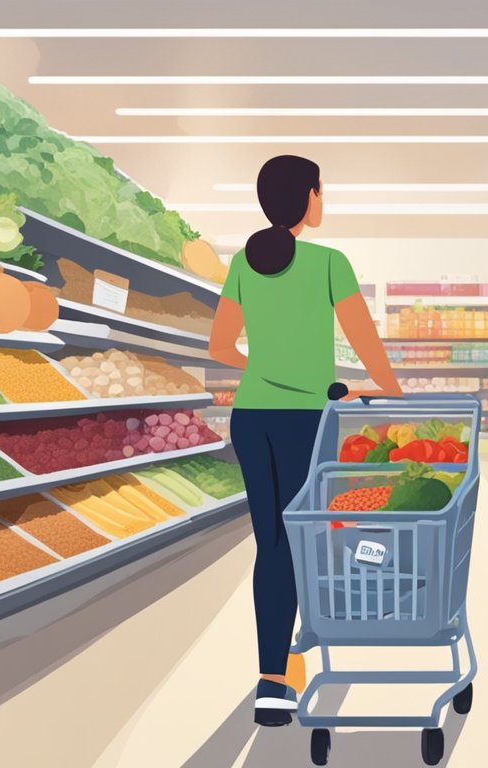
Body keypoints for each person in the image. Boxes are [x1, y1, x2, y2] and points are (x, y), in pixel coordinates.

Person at [208, 155, 402, 726]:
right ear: (308, 198)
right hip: (304, 420)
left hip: (253, 417)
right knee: (312, 537)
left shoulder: (245, 263)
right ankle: (326, 639)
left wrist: (266, 368)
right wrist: (386, 389)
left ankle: (273, 681)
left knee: (272, 544)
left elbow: (221, 349)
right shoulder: (328, 263)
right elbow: (363, 339)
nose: (324, 201)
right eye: (322, 191)